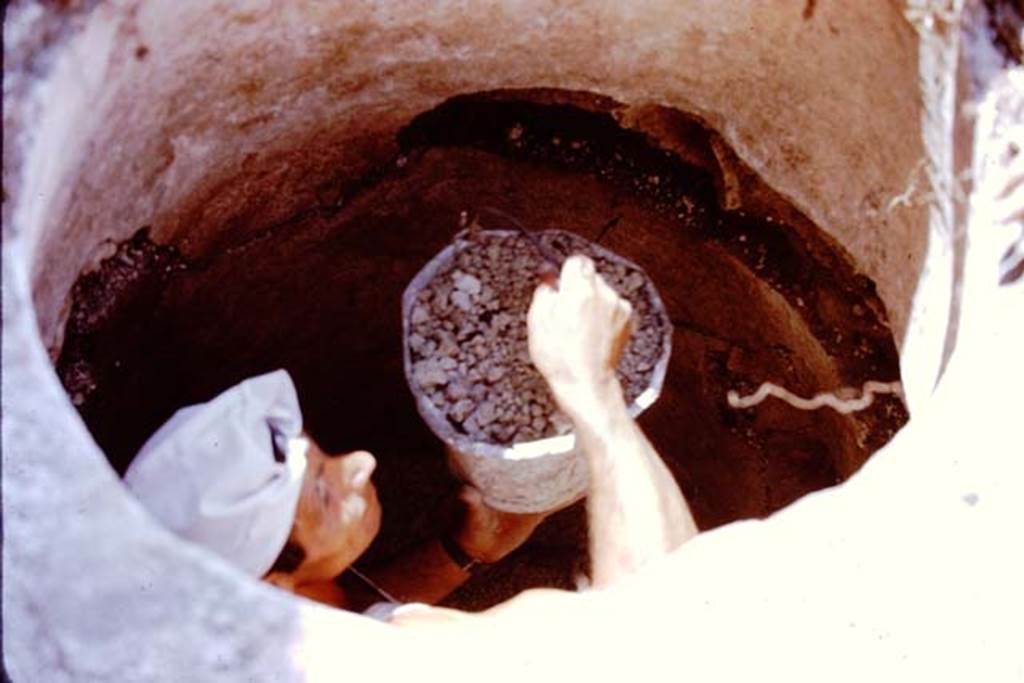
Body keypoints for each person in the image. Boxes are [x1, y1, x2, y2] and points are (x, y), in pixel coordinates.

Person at [123, 370, 545, 611]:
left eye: (323, 459)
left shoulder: (256, 600)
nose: (361, 463)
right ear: (273, 584)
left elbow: (344, 609)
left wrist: (465, 551)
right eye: (325, 495)